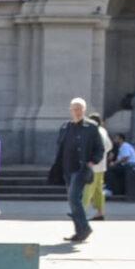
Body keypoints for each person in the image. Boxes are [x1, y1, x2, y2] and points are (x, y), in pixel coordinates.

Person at [51, 98, 105, 242]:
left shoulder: (91, 127)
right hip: (66, 169)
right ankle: (79, 232)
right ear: (70, 110)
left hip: (81, 169)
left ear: (84, 110)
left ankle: (85, 228)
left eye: (80, 108)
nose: (77, 111)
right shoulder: (65, 127)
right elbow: (60, 147)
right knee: (74, 200)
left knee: (73, 197)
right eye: (74, 108)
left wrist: (92, 162)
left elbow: (100, 148)